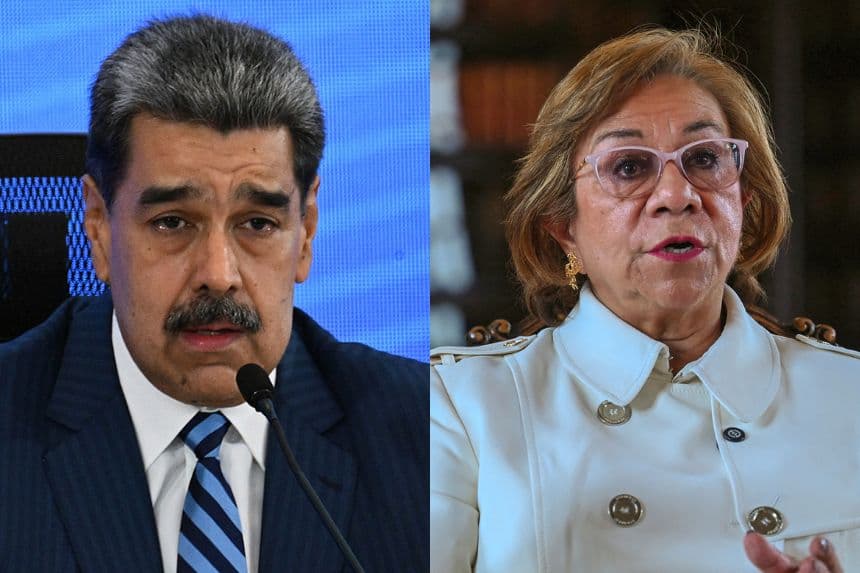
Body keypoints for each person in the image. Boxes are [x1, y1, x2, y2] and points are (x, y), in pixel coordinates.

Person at [0, 15, 428, 573]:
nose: (219, 274)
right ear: (98, 226)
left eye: (257, 224)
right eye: (173, 222)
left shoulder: (421, 432)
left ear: (306, 231)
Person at [430, 27, 859, 573]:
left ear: (744, 200)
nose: (678, 196)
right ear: (563, 226)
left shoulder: (850, 395)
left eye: (705, 159)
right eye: (629, 167)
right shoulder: (459, 407)